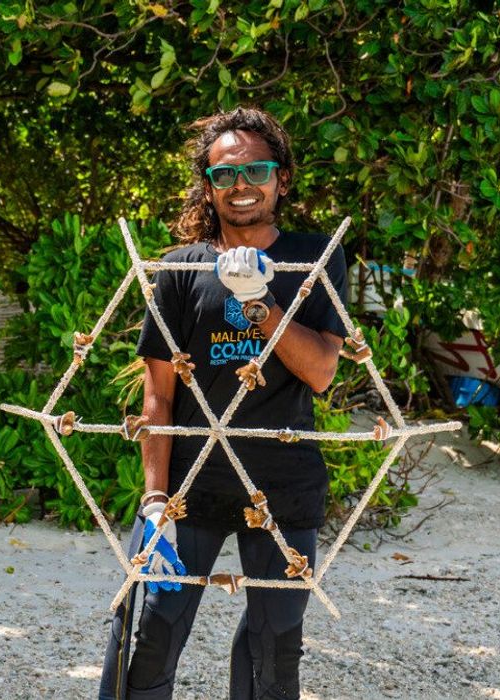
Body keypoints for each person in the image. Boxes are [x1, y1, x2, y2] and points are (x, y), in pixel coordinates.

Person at [98, 107, 347, 699]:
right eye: (223, 175)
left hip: (281, 485)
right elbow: (159, 392)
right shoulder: (180, 268)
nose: (241, 186)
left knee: (275, 650)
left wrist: (259, 302)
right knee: (152, 632)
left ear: (281, 178)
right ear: (207, 186)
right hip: (189, 488)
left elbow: (321, 372)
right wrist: (155, 499)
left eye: (256, 170)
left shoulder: (314, 258)